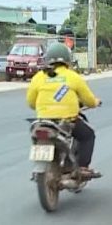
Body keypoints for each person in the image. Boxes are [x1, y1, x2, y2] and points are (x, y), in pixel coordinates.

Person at [26, 43, 100, 178]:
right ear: (67, 59)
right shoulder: (72, 76)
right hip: (67, 121)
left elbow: (31, 102)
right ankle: (83, 167)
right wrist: (95, 102)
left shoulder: (39, 77)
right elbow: (88, 100)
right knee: (88, 135)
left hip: (43, 121)